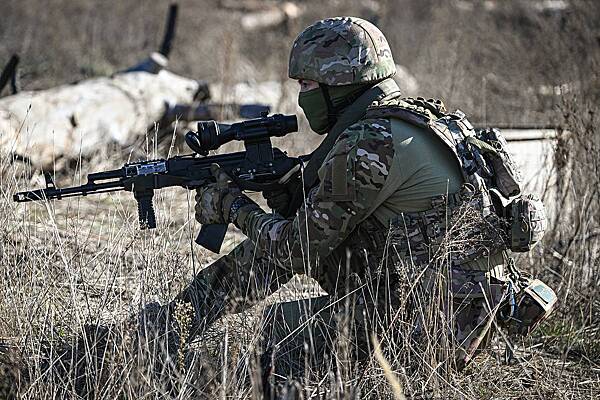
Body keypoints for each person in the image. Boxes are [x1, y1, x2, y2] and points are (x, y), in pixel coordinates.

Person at [155, 15, 513, 379]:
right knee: (270, 253)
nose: (301, 96)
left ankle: (162, 342)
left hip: (432, 326)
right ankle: (166, 327)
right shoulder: (415, 121)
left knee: (279, 335)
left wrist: (231, 206)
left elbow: (297, 249)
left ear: (339, 85)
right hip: (467, 311)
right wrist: (288, 193)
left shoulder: (369, 142)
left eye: (308, 84)